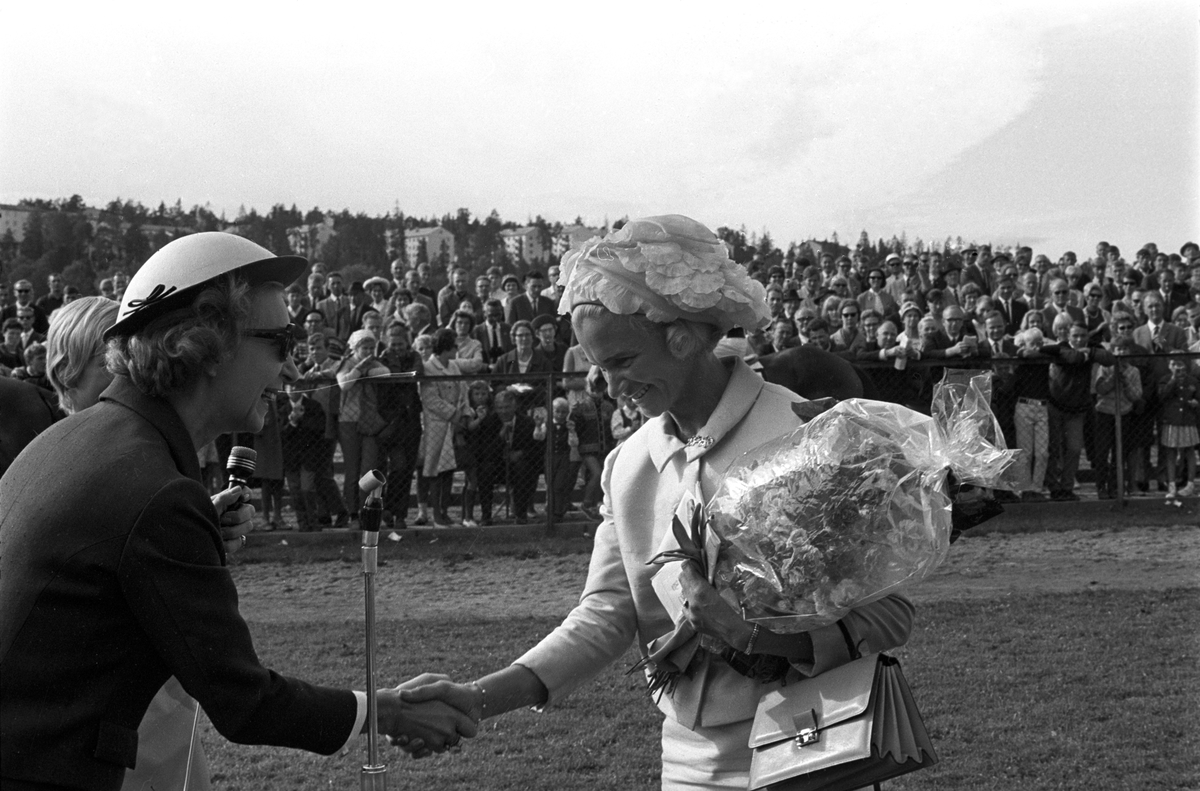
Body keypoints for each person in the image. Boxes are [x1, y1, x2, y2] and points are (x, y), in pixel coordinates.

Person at [397, 215, 913, 788]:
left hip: (816, 746)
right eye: (599, 368)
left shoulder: (806, 431)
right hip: (689, 763)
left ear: (683, 337)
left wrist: (756, 639)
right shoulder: (628, 465)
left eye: (621, 362)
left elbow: (889, 617)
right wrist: (479, 696)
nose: (612, 389)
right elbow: (606, 616)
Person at [0, 233, 476, 791]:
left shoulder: (81, 442)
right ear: (206, 339)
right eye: (280, 341)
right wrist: (388, 710)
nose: (292, 369)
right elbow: (244, 701)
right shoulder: (155, 491)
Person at [336, 329, 392, 521]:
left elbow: (386, 373)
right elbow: (344, 383)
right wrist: (360, 369)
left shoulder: (373, 362)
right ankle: (352, 512)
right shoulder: (348, 362)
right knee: (352, 469)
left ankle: (365, 509)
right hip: (349, 421)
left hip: (368, 422)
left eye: (371, 348)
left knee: (368, 468)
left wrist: (367, 370)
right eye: (364, 348)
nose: (368, 352)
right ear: (356, 348)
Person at [417, 328, 469, 527]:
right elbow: (430, 400)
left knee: (448, 470)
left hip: (453, 425)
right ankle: (436, 514)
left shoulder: (454, 367)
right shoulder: (429, 368)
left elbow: (462, 390)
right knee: (436, 469)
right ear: (446, 348)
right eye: (454, 346)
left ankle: (444, 511)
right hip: (436, 425)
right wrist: (453, 414)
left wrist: (463, 413)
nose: (457, 349)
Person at [1157, 352, 1199, 497]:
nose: (1177, 367)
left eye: (1180, 364)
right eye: (1174, 364)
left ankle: (1190, 484)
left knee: (1189, 451)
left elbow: (1198, 397)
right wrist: (1173, 380)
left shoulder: (1192, 380)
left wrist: (1196, 403)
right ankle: (1172, 484)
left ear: (1185, 365)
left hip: (1187, 420)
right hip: (1171, 421)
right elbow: (1162, 396)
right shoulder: (1165, 379)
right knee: (1171, 452)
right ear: (1169, 366)